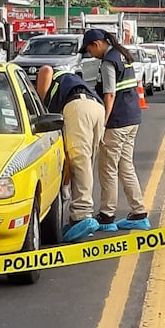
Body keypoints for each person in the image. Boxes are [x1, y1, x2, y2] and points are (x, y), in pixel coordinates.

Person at [81, 28, 150, 232]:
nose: (90, 54)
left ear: (97, 44)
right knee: (125, 166)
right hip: (132, 118)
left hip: (117, 121)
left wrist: (102, 124)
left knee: (108, 169)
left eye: (89, 50)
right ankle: (138, 213)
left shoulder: (108, 61)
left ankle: (106, 215)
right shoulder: (122, 54)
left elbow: (109, 95)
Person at [35, 65, 105, 242]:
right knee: (85, 163)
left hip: (78, 106)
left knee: (79, 162)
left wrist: (39, 111)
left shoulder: (48, 72)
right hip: (96, 107)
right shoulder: (70, 79)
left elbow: (45, 70)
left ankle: (82, 215)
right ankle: (79, 215)